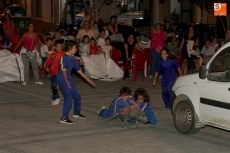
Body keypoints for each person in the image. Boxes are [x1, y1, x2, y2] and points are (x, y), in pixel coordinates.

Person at [57, 40, 95, 124]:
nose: (76, 49)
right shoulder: (64, 57)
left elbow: (79, 70)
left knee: (77, 96)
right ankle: (64, 117)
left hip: (68, 78)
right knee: (68, 96)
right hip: (62, 79)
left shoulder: (73, 58)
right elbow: (63, 71)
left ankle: (76, 113)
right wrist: (67, 82)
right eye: (75, 47)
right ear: (70, 48)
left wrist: (89, 80)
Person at [44, 40, 65, 105]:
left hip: (62, 73)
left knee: (64, 87)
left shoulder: (64, 54)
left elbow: (72, 60)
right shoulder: (52, 55)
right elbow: (46, 63)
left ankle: (64, 97)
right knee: (53, 86)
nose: (59, 48)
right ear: (55, 47)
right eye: (58, 47)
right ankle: (55, 97)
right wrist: (46, 67)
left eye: (60, 47)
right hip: (54, 73)